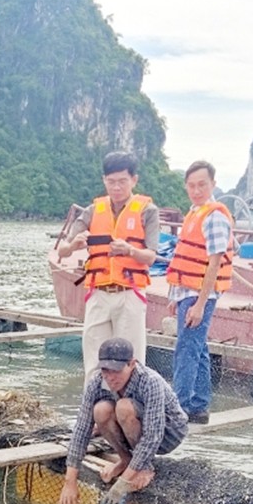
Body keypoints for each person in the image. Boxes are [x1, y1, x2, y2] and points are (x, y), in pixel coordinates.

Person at [58, 337, 189, 504]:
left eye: (116, 370)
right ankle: (127, 460)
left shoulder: (150, 382)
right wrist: (70, 482)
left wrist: (122, 485)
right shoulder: (97, 382)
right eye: (105, 370)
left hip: (168, 432)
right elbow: (81, 430)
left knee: (124, 407)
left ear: (132, 364)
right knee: (101, 410)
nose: (110, 377)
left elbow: (153, 436)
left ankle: (144, 467)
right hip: (136, 429)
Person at [59, 152, 159, 379]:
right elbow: (63, 250)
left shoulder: (147, 211)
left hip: (130, 292)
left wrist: (129, 250)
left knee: (132, 359)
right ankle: (94, 411)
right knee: (94, 359)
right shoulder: (93, 210)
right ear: (104, 180)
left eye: (122, 181)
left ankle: (131, 411)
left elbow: (151, 256)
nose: (116, 187)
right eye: (111, 181)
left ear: (134, 180)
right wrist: (73, 244)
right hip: (98, 292)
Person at [164, 160, 234, 425]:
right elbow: (183, 256)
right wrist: (175, 296)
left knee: (186, 349)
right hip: (186, 292)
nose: (196, 190)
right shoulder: (195, 213)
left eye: (202, 185)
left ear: (213, 184)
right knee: (198, 348)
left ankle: (176, 408)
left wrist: (200, 303)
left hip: (198, 294)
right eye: (191, 185)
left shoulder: (214, 215)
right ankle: (199, 406)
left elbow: (215, 262)